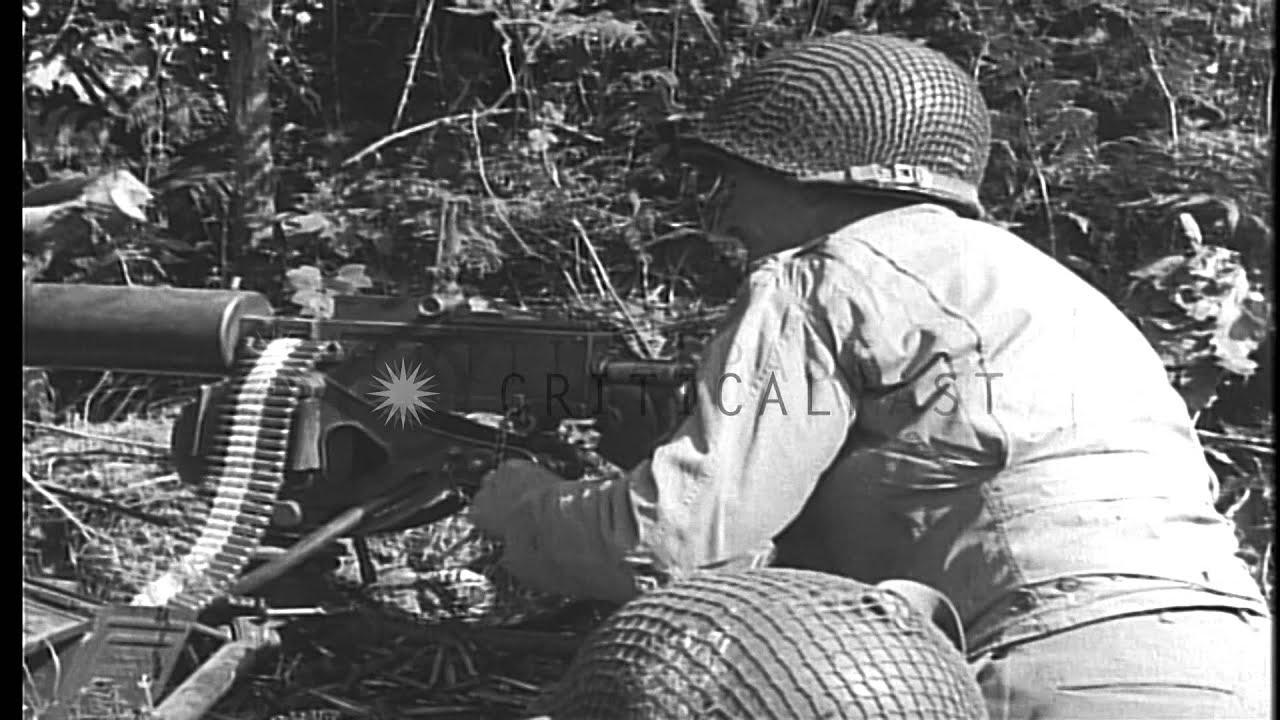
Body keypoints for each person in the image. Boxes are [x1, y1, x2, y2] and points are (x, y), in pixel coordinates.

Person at [468, 32, 1272, 718]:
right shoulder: (1038, 286)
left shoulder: (827, 272)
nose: (729, 207)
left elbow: (674, 545)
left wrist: (520, 509)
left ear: (804, 172)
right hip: (1238, 662)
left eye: (738, 175)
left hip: (1053, 675)